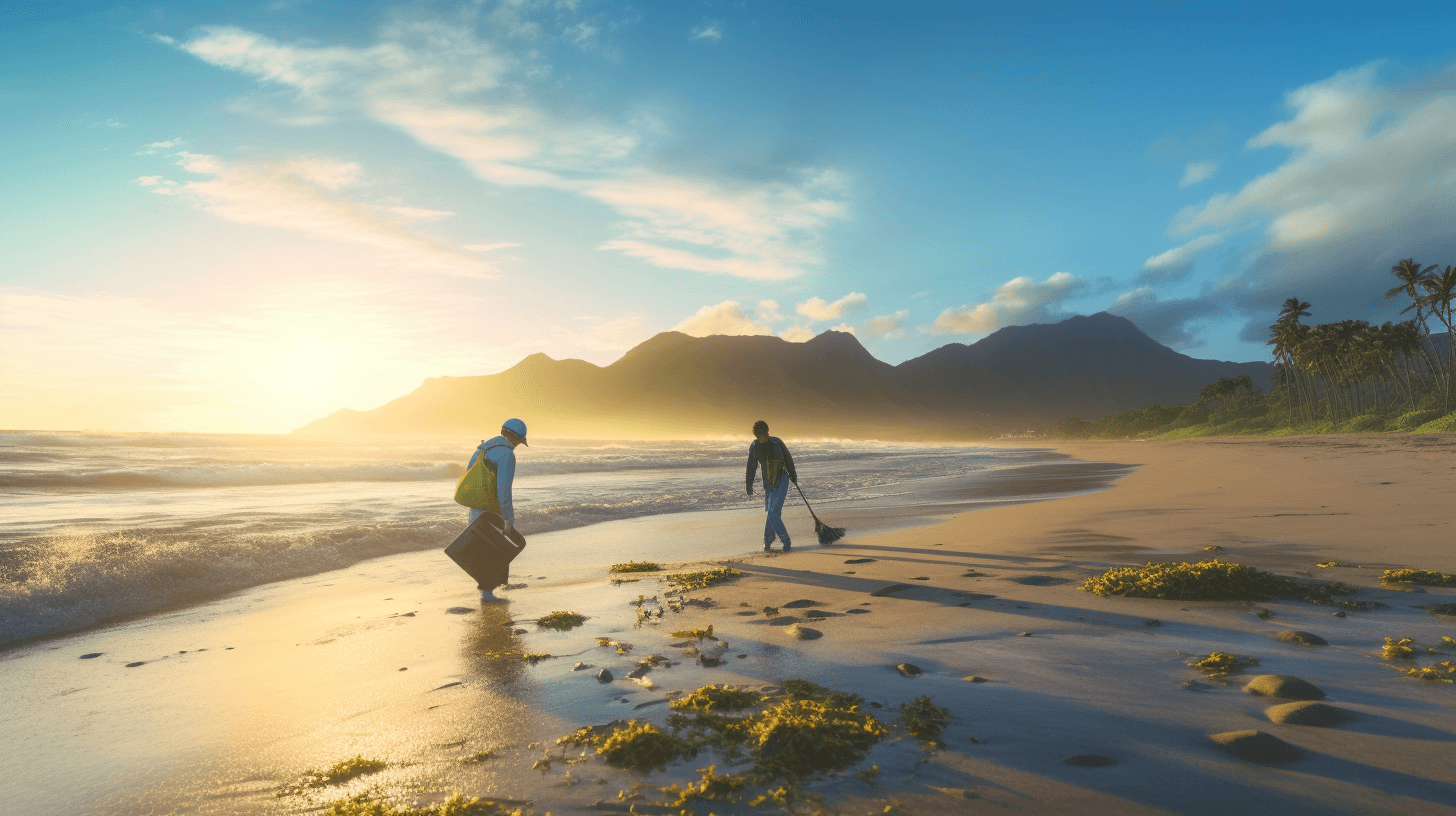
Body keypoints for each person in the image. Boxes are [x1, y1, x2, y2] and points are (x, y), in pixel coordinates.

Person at [466, 417, 528, 600]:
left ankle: (487, 589)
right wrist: (508, 518)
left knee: (482, 547)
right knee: (496, 548)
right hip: (492, 509)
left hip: (475, 506)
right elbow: (504, 491)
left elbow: (468, 474)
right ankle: (487, 592)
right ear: (516, 439)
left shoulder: (482, 449)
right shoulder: (507, 455)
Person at [745, 420, 797, 552]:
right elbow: (751, 466)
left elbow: (788, 459)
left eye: (763, 435)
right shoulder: (755, 446)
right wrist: (749, 484)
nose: (761, 438)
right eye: (758, 435)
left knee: (773, 513)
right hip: (768, 483)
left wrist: (793, 476)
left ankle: (786, 541)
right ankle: (768, 540)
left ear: (767, 433)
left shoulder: (777, 442)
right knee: (771, 512)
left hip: (782, 479)